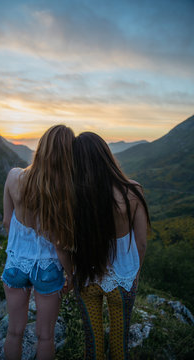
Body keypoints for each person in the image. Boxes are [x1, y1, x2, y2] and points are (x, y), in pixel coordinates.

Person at [72, 132, 150, 360]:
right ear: (106, 154)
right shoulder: (133, 190)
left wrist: (70, 273)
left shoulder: (75, 195)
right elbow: (141, 242)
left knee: (93, 346)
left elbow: (67, 241)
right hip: (123, 280)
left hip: (87, 277)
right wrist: (135, 274)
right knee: (119, 346)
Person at [1, 125, 75, 360]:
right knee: (45, 336)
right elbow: (61, 244)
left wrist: (21, 247)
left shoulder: (14, 176)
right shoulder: (63, 192)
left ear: (41, 147)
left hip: (15, 264)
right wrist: (71, 274)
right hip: (48, 267)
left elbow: (6, 222)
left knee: (14, 332)